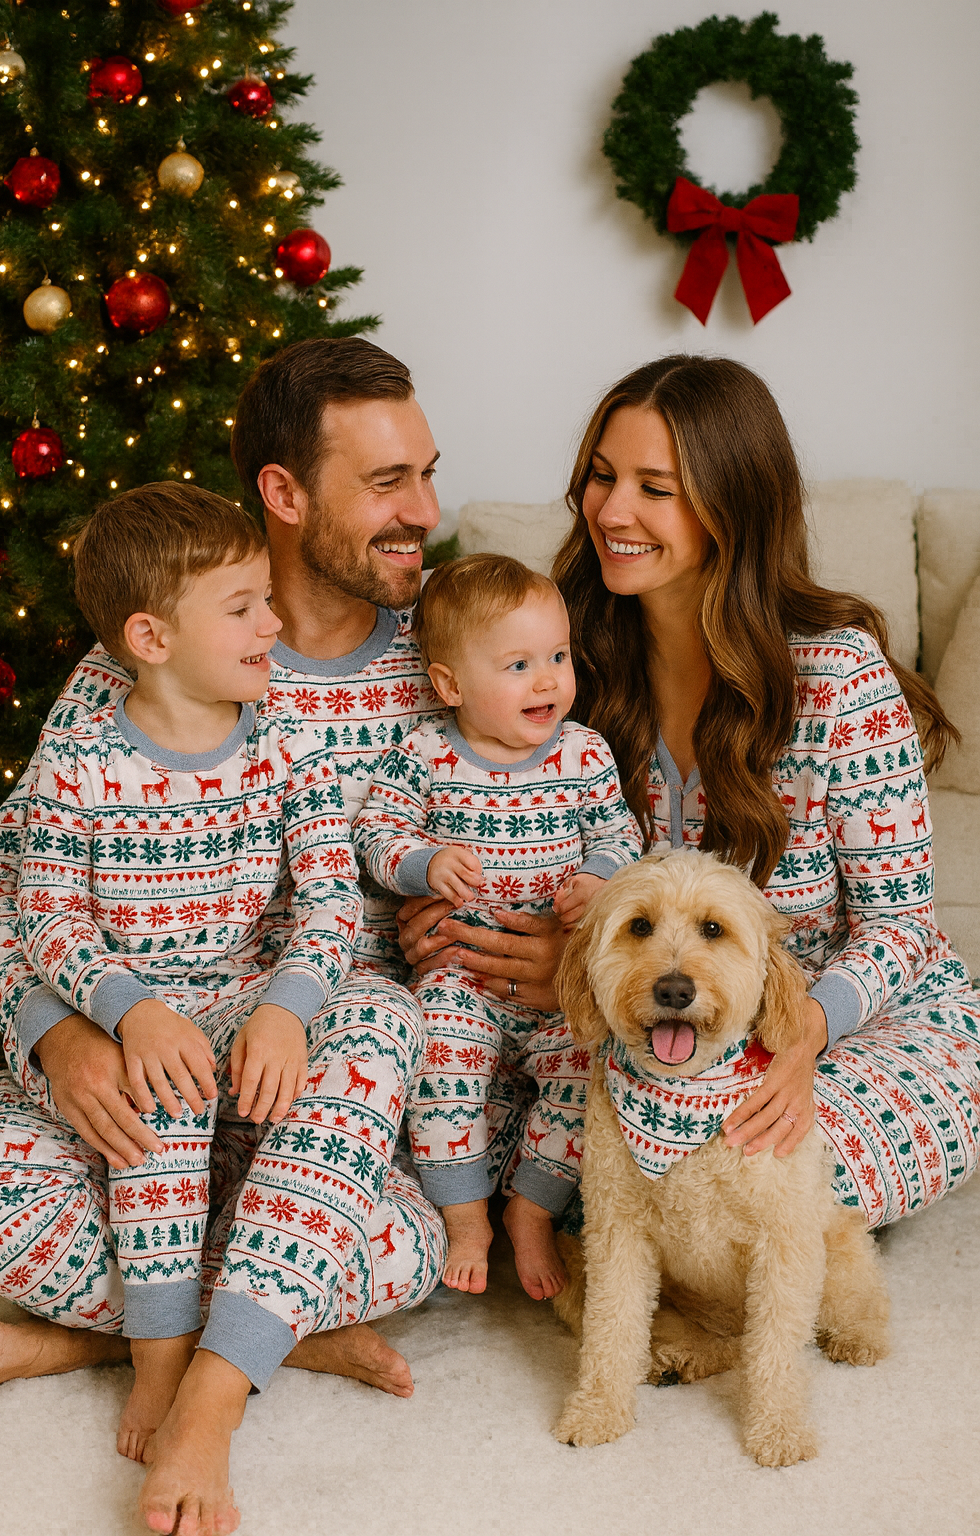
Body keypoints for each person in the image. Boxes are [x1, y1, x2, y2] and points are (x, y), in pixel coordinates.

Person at [0, 338, 450, 1534]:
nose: (425, 514)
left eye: (426, 473)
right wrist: (65, 1036)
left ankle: (196, 1377)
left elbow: (537, 823)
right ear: (283, 495)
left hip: (313, 1101)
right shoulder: (135, 683)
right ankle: (256, 1320)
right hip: (151, 1070)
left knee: (409, 1247)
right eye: (388, 483)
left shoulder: (452, 656)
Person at [399, 355, 980, 1235]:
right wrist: (450, 915)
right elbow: (480, 815)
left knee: (776, 1174)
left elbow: (901, 926)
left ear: (730, 506)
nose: (613, 511)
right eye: (601, 476)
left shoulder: (835, 674)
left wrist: (799, 1040)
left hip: (837, 1020)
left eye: (654, 488)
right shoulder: (558, 665)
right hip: (627, 1020)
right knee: (468, 1153)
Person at [13, 485, 370, 1462]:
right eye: (245, 606)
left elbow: (336, 901)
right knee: (160, 1084)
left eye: (269, 597)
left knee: (401, 1234)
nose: (275, 622)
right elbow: (44, 916)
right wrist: (128, 1014)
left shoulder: (290, 747)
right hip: (148, 1021)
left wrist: (292, 1011)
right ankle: (168, 1366)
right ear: (151, 637)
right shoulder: (78, 766)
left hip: (256, 1012)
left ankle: (178, 1334)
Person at [353, 554, 641, 1297]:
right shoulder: (426, 753)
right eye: (519, 664)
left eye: (557, 656)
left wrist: (600, 880)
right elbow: (378, 832)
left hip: (562, 987)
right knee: (442, 1060)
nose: (548, 679)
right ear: (451, 685)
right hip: (461, 977)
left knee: (593, 1075)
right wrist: (422, 864)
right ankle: (467, 1214)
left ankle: (532, 1210)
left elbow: (618, 834)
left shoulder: (583, 753)